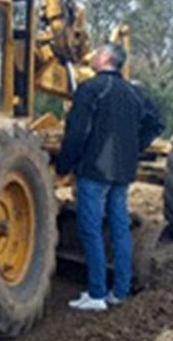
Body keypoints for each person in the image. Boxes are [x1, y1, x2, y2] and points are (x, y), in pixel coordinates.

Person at [56, 43, 165, 311]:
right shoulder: (134, 92)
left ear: (105, 58)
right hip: (123, 171)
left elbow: (77, 132)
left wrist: (64, 164)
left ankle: (96, 294)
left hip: (94, 169)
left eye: (96, 53)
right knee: (119, 229)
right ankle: (121, 291)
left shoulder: (91, 89)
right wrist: (134, 147)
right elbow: (156, 122)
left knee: (90, 229)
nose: (91, 56)